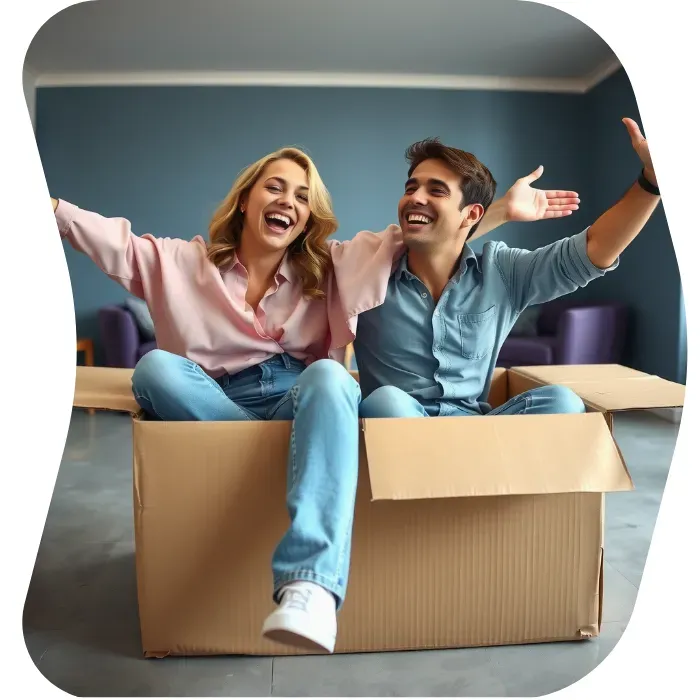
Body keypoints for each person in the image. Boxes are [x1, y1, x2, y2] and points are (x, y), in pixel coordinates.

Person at [53, 146, 579, 654]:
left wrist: (502, 213)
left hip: (294, 404)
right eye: (275, 188)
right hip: (213, 405)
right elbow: (110, 241)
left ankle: (311, 587)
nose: (289, 202)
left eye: (302, 197)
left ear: (306, 219)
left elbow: (428, 239)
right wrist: (47, 206)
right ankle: (251, 450)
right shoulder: (179, 262)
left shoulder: (328, 269)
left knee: (331, 375)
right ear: (245, 200)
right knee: (154, 369)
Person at [338, 118, 661, 421]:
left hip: (476, 427)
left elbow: (593, 251)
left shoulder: (502, 272)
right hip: (396, 427)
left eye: (435, 190)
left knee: (563, 402)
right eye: (411, 188)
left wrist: (651, 183)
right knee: (386, 400)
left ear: (472, 213)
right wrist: (503, 210)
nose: (415, 198)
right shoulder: (368, 268)